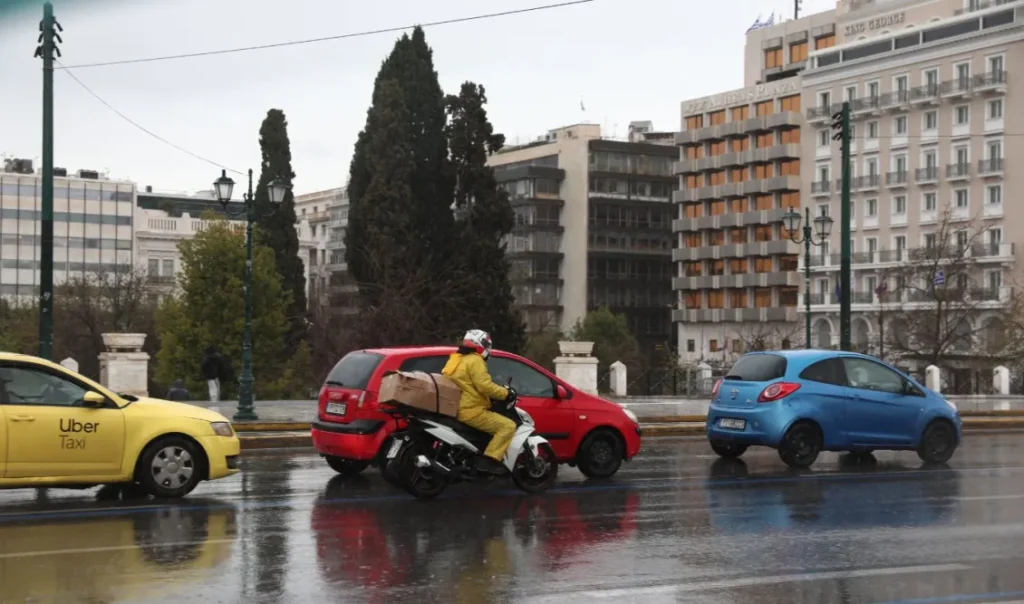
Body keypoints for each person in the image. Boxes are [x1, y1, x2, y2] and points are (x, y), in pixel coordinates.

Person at [442, 329, 517, 475]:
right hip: (471, 410)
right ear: (479, 344)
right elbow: (485, 386)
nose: (488, 348)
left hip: (455, 407)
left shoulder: (456, 359)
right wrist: (506, 393)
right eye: (486, 344)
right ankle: (489, 461)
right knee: (508, 426)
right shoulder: (475, 360)